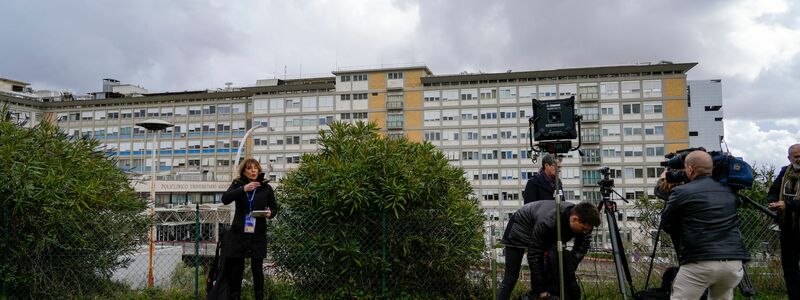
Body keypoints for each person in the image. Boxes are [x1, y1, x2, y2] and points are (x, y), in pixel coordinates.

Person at [661, 151, 750, 300]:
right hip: (733, 263)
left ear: (690, 169)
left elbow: (667, 223)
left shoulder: (681, 192)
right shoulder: (730, 192)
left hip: (700, 261)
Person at [497, 201, 601, 300]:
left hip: (539, 227)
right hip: (519, 229)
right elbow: (534, 255)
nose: (585, 232)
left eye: (588, 230)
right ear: (574, 219)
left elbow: (582, 245)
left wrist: (569, 266)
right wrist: (540, 290)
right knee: (511, 277)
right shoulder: (548, 222)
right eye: (583, 229)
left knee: (552, 271)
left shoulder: (583, 217)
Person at [219, 158, 278, 300]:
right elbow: (225, 199)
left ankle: (259, 296)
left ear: (258, 170)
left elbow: (274, 208)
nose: (253, 171)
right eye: (249, 168)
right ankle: (235, 296)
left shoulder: (266, 187)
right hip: (239, 232)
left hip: (258, 232)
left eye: (255, 168)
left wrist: (270, 213)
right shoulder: (237, 184)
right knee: (237, 267)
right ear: (244, 171)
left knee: (257, 268)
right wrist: (244, 189)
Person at [767, 143, 800, 300]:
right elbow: (773, 191)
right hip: (788, 228)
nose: (799, 159)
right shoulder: (784, 172)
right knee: (790, 268)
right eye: (796, 156)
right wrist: (774, 203)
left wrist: (788, 205)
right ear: (789, 158)